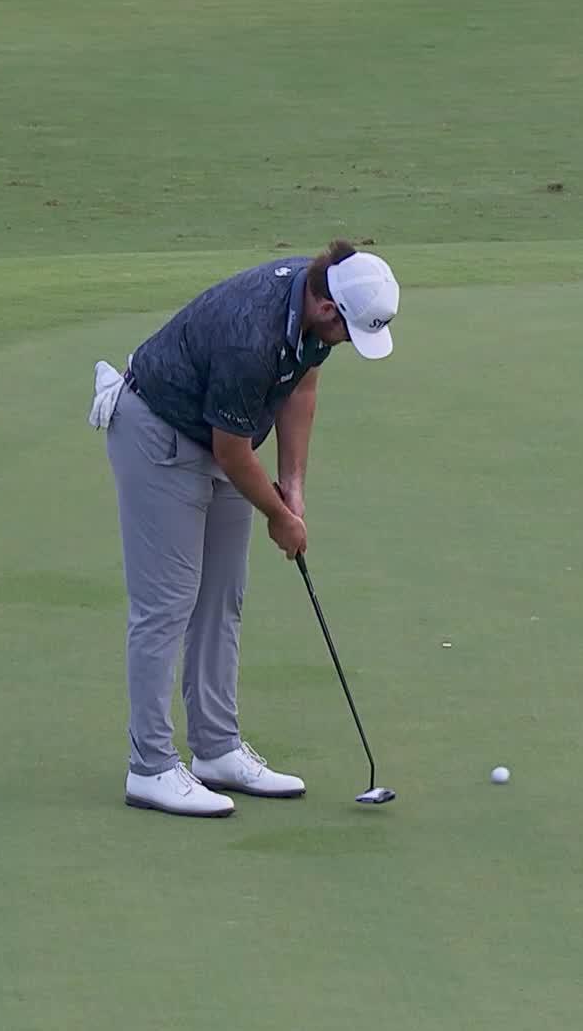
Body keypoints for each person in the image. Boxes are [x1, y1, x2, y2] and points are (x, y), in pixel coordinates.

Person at [85, 239, 401, 818]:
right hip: (159, 433)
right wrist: (279, 518)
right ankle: (150, 767)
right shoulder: (249, 334)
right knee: (166, 603)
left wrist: (294, 487)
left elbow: (301, 385)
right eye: (350, 334)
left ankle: (216, 748)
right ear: (329, 308)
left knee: (221, 597)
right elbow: (232, 453)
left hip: (221, 436)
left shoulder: (315, 310)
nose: (348, 345)